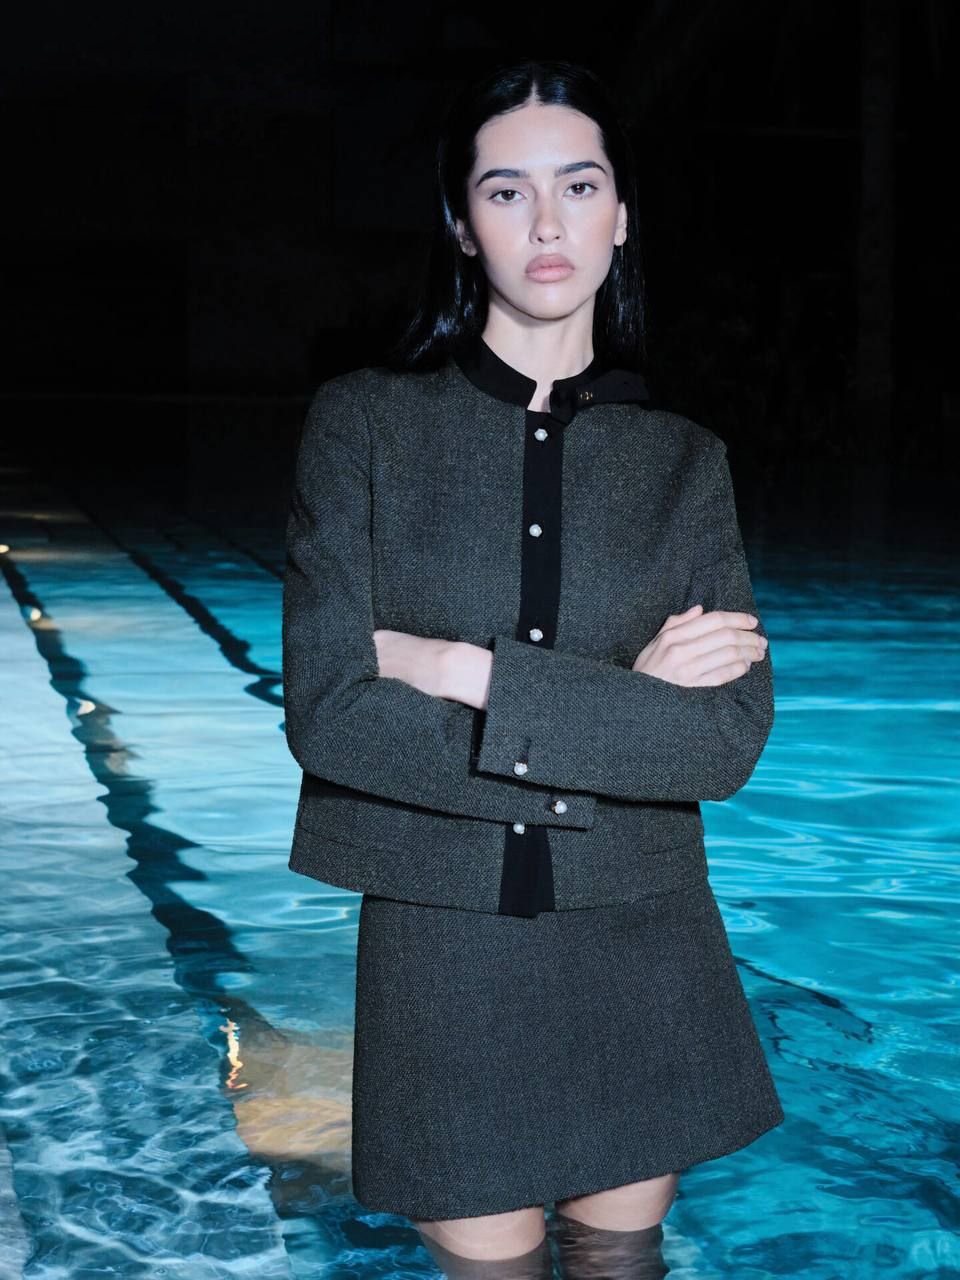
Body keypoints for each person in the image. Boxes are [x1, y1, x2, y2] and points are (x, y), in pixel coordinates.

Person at [281, 58, 783, 1279]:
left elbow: (722, 742)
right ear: (463, 224)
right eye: (507, 191)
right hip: (445, 942)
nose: (548, 222)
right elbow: (333, 713)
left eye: (580, 185)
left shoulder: (685, 462)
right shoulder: (363, 425)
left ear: (623, 215)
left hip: (641, 931)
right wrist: (625, 703)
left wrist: (463, 670)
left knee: (622, 1257)